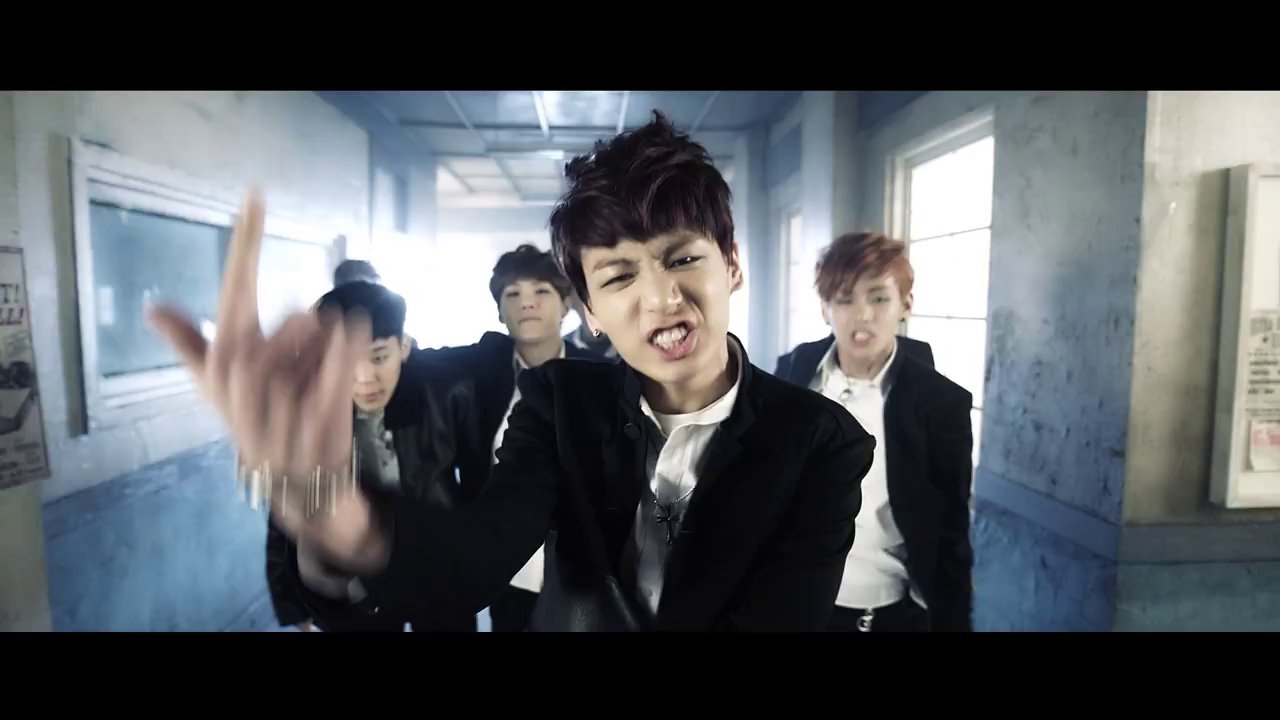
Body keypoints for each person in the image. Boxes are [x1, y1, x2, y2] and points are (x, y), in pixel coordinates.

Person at [151, 111, 872, 632]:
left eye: (682, 258)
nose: (660, 297)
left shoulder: (820, 440)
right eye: (619, 276)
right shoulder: (560, 402)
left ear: (732, 264)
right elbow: (475, 557)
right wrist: (333, 514)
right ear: (589, 311)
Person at [774, 232, 974, 632]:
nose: (862, 315)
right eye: (845, 299)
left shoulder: (941, 404)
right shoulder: (792, 375)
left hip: (891, 612)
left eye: (879, 298)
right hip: (794, 605)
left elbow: (950, 531)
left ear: (905, 304)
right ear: (825, 307)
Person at [263, 282, 475, 632]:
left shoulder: (447, 393)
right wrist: (289, 600)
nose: (364, 379)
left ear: (403, 346)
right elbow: (288, 513)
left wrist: (473, 561)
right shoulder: (308, 412)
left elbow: (476, 485)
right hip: (355, 575)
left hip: (436, 561)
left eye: (378, 357)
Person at [425, 244, 597, 632]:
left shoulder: (598, 375)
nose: (527, 303)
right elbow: (421, 363)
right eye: (513, 294)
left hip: (581, 568)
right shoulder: (482, 371)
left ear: (566, 305)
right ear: (500, 312)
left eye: (542, 291)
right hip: (506, 567)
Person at [563, 292, 618, 360]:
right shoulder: (561, 350)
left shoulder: (627, 340)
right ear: (570, 302)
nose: (592, 306)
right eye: (584, 296)